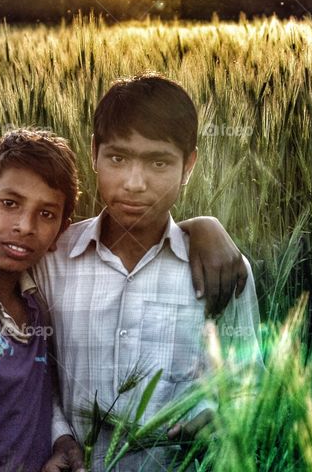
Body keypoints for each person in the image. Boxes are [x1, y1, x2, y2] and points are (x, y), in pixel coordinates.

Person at [0, 129, 247, 472]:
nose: (25, 226)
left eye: (46, 214)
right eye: (9, 203)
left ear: (61, 230)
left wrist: (59, 444)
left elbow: (35, 405)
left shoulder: (32, 302)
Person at [36, 74, 261, 471]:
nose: (134, 183)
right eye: (117, 158)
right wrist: (60, 434)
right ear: (94, 152)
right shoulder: (51, 261)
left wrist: (218, 415)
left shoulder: (226, 272)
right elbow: (33, 373)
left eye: (159, 162)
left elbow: (248, 385)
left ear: (188, 164)